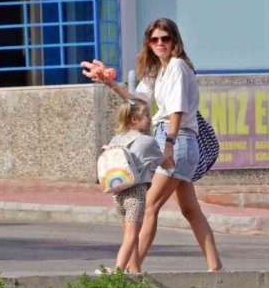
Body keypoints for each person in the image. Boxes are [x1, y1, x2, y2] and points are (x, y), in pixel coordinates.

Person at [87, 18, 223, 272]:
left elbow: (177, 110)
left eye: (165, 38)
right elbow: (138, 101)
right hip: (174, 140)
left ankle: (130, 270)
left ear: (175, 41)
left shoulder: (178, 66)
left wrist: (168, 146)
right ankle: (215, 268)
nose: (160, 43)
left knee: (148, 205)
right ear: (149, 43)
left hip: (177, 139)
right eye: (155, 39)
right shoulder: (157, 71)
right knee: (190, 210)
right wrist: (110, 82)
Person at [101, 99, 163, 274]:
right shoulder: (147, 141)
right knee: (131, 236)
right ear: (134, 119)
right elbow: (164, 162)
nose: (150, 119)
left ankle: (135, 270)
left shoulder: (116, 139)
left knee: (129, 234)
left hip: (118, 193)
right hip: (135, 193)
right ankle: (118, 271)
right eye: (147, 115)